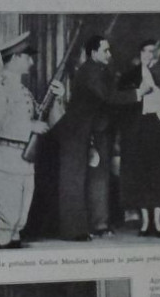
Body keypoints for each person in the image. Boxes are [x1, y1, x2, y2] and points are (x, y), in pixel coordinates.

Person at [55, 34, 141, 240]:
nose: (109, 54)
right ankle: (74, 230)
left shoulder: (102, 70)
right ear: (93, 53)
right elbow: (109, 96)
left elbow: (112, 91)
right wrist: (139, 94)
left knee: (99, 178)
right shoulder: (90, 71)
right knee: (75, 179)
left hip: (98, 130)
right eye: (105, 50)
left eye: (109, 50)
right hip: (78, 131)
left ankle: (99, 225)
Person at [0, 32, 62, 249]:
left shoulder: (24, 91)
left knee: (18, 224)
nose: (32, 62)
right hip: (4, 162)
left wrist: (57, 98)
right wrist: (29, 127)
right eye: (28, 57)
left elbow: (47, 121)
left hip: (23, 163)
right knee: (5, 227)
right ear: (16, 57)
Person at [116, 38, 160, 236]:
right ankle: (145, 222)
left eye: (153, 51)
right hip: (137, 129)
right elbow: (122, 103)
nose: (149, 54)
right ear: (139, 53)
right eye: (145, 51)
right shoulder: (130, 76)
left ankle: (159, 222)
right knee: (140, 175)